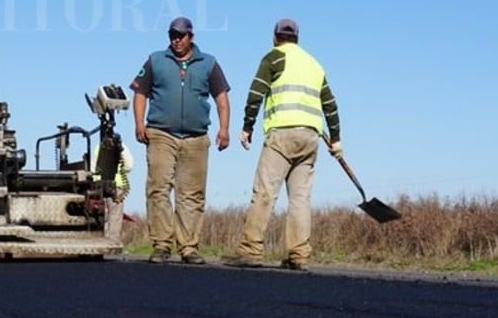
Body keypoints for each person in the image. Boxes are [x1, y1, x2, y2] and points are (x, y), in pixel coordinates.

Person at [226, 18, 342, 271]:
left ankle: (250, 250)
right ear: (297, 38)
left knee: (265, 192)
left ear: (275, 37)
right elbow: (330, 105)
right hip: (311, 137)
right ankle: (299, 255)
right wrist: (336, 139)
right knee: (300, 199)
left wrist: (247, 127)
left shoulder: (274, 57)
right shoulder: (314, 64)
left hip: (282, 134)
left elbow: (256, 93)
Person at [130, 16, 230, 265]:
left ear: (191, 37)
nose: (177, 40)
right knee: (159, 188)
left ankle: (188, 247)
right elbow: (140, 93)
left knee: (191, 194)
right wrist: (139, 123)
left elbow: (221, 98)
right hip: (161, 134)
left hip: (196, 138)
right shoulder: (156, 60)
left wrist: (224, 129)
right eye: (173, 35)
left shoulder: (209, 63)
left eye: (181, 35)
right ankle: (162, 244)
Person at [103, 140, 136, 244]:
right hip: (116, 185)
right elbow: (129, 165)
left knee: (102, 215)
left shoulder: (98, 148)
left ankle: (100, 238)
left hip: (99, 184)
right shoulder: (120, 146)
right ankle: (112, 241)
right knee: (115, 215)